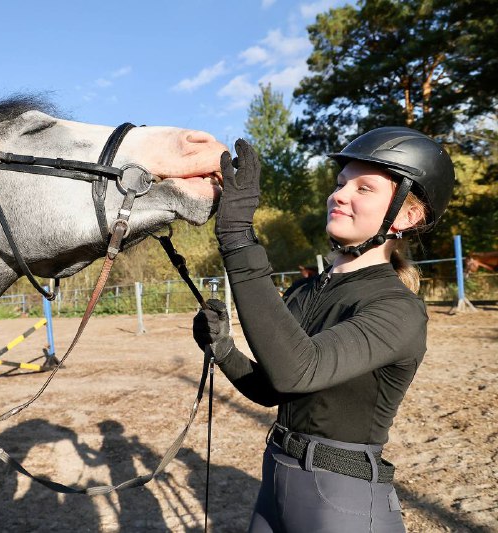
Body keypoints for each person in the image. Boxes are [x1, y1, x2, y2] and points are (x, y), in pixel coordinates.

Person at [193, 128, 456, 532]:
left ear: (406, 215)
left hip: (343, 499)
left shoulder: (399, 310)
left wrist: (237, 238)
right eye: (340, 183)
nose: (340, 194)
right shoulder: (304, 291)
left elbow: (299, 369)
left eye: (364, 188)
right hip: (275, 484)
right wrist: (223, 348)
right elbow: (273, 388)